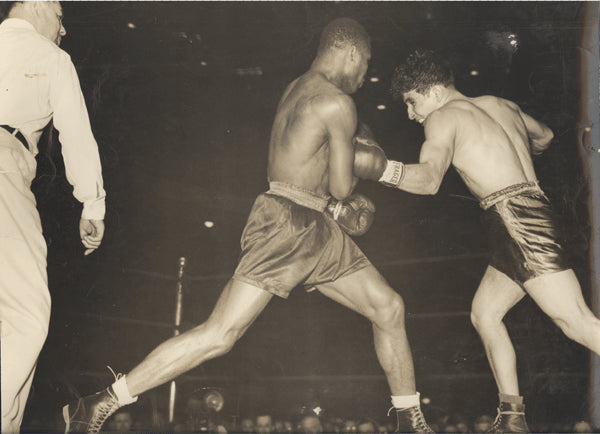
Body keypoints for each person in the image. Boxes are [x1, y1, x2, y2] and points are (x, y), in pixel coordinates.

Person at [61, 18, 432, 434]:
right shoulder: (336, 103)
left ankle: (409, 420)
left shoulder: (298, 88)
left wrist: (340, 184)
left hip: (311, 220)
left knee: (388, 306)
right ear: (349, 52)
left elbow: (311, 170)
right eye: (365, 63)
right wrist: (370, 162)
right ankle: (101, 403)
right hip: (289, 224)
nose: (364, 75)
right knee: (220, 334)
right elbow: (343, 186)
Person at [353, 49, 600, 433]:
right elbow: (546, 136)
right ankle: (512, 417)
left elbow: (430, 180)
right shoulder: (499, 104)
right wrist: (514, 161)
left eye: (411, 102)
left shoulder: (442, 117)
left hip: (516, 219)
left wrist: (381, 170)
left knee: (577, 322)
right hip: (524, 214)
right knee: (485, 313)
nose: (411, 114)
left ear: (433, 91)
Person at [0, 2, 106, 432]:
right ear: (39, 5)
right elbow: (75, 134)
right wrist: (92, 204)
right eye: (61, 18)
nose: (63, 31)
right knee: (26, 318)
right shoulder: (50, 57)